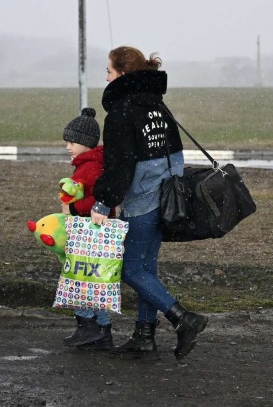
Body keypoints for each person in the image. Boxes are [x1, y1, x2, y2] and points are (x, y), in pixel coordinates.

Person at [90, 45, 208, 361]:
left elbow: (120, 166)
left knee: (130, 270)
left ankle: (183, 318)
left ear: (123, 75)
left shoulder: (121, 113)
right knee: (146, 268)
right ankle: (144, 335)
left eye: (109, 71)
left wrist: (103, 202)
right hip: (167, 199)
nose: (105, 76)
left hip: (142, 202)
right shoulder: (158, 107)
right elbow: (176, 155)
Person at [59, 107, 115, 350]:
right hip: (95, 232)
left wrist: (72, 208)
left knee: (81, 280)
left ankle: (87, 326)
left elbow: (98, 199)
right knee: (96, 283)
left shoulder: (90, 168)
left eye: (72, 142)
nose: (68, 146)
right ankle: (102, 330)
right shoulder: (90, 164)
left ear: (86, 143)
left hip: (90, 231)